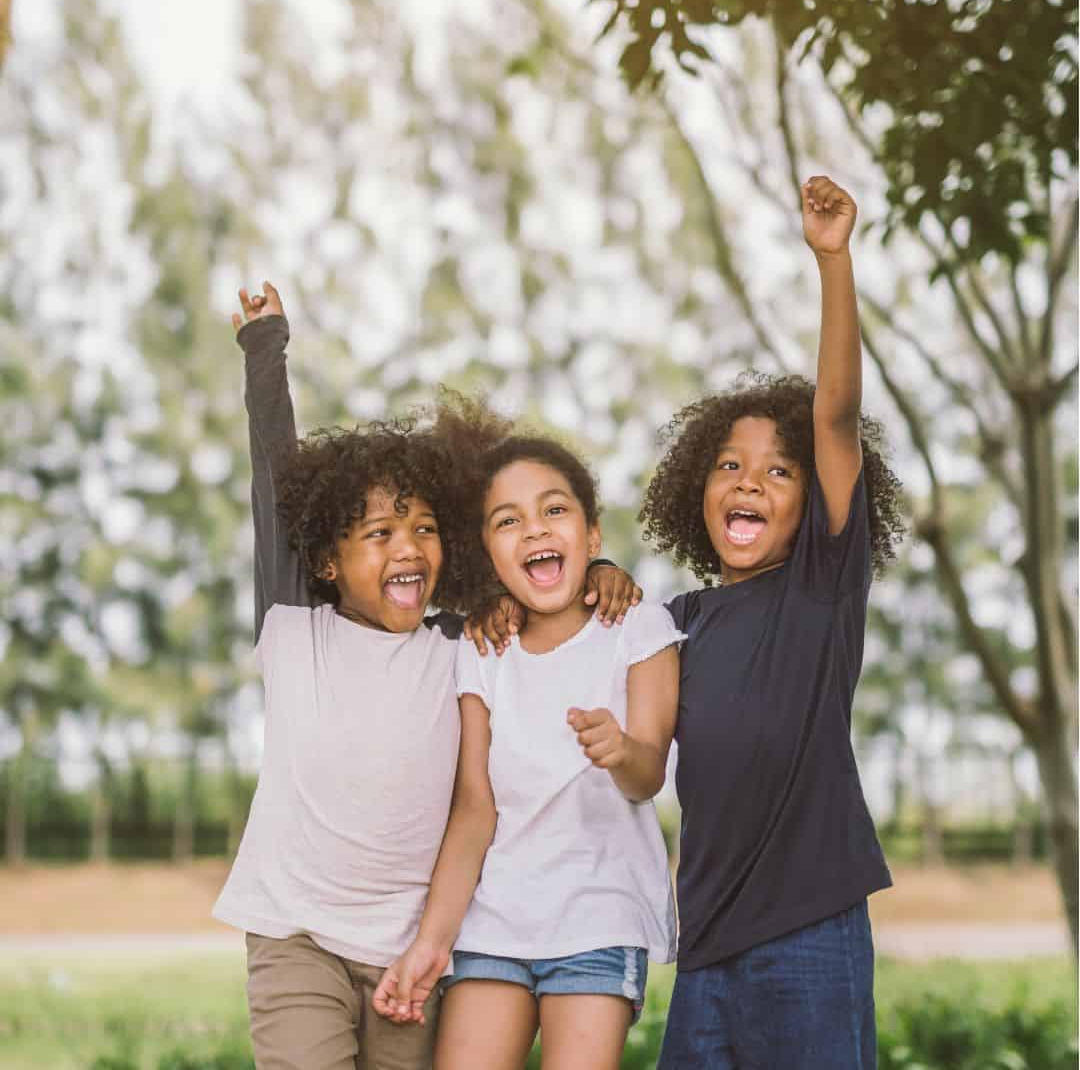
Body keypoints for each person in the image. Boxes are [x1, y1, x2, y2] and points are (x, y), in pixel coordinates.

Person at [213, 284, 642, 1070]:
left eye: (425, 529)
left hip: (413, 949)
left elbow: (537, 571)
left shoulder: (463, 640)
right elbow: (274, 483)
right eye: (379, 533)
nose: (408, 546)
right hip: (296, 933)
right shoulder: (293, 625)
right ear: (326, 560)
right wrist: (264, 348)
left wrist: (600, 571)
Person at [640, 177, 905, 1070]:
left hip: (810, 938)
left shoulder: (820, 591)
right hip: (705, 948)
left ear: (810, 503)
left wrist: (833, 263)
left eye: (778, 472)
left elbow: (833, 413)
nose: (749, 481)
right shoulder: (672, 624)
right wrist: (598, 575)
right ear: (695, 490)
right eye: (728, 464)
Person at [371, 434, 684, 1070]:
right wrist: (431, 945)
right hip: (494, 923)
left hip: (600, 919)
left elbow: (647, 774)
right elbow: (474, 810)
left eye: (554, 510)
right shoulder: (481, 651)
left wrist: (620, 750)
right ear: (487, 553)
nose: (533, 529)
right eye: (507, 521)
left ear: (593, 537)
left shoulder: (638, 628)